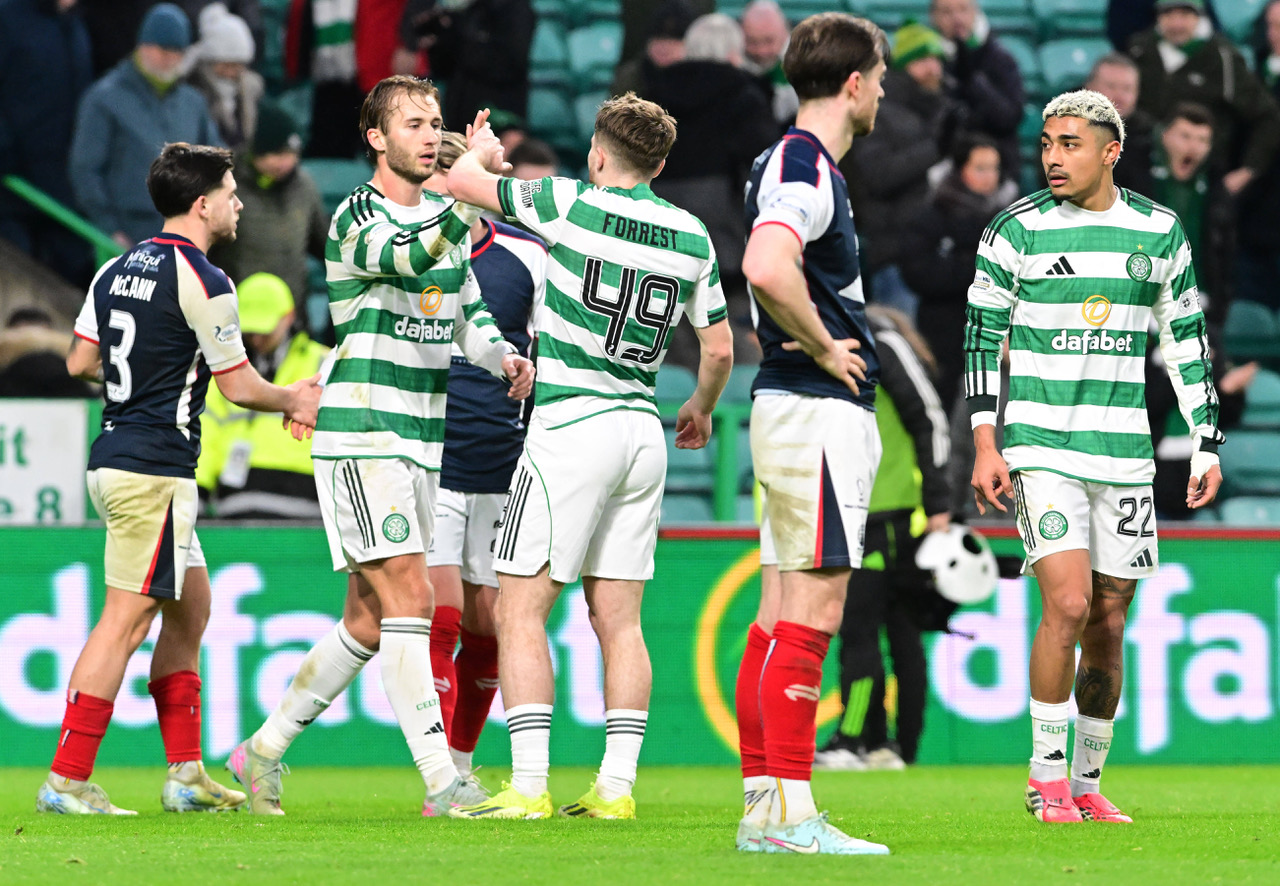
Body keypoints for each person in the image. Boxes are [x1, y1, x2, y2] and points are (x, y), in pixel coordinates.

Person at [226, 75, 534, 817]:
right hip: (366, 430)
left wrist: (505, 361)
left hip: (420, 439)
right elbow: (413, 258)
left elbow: (466, 312)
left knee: (368, 619)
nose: (430, 135)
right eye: (414, 124)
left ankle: (259, 752)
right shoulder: (354, 217)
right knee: (413, 596)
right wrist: (473, 190)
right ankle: (444, 780)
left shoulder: (439, 214)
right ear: (376, 138)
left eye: (436, 122)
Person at [443, 91, 734, 820]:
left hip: (572, 426)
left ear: (599, 153)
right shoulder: (692, 233)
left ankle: (531, 786)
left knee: (519, 607)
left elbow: (460, 186)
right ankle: (616, 789)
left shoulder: (568, 202)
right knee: (621, 619)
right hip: (642, 430)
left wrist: (480, 157)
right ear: (661, 163)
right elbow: (722, 347)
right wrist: (698, 406)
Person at [37, 142, 321, 815]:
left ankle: (185, 775)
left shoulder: (113, 268)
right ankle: (67, 780)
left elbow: (79, 362)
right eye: (229, 193)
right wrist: (296, 398)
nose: (238, 203)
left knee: (191, 609)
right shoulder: (205, 278)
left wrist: (140, 388)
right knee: (124, 621)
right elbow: (243, 386)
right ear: (202, 204)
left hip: (115, 457)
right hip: (154, 470)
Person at [964, 89, 1224, 825]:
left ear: (1112, 150)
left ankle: (1086, 781)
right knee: (1069, 604)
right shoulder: (1014, 231)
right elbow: (982, 339)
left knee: (1110, 620)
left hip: (1126, 457)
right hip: (1042, 448)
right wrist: (986, 438)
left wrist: (1205, 442)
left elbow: (1185, 344)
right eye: (1047, 143)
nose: (1053, 157)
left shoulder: (1160, 231)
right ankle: (1044, 777)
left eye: (1070, 143)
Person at [732, 13, 891, 856]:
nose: (884, 93)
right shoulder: (804, 161)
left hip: (786, 406)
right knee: (814, 610)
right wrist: (827, 344)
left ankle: (765, 806)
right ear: (858, 81)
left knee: (775, 612)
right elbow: (765, 263)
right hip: (815, 409)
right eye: (882, 78)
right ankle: (792, 814)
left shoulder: (779, 159)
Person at [420, 131, 547, 778]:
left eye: (451, 184)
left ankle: (460, 765)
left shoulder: (526, 257)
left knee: (489, 627)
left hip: (502, 462)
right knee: (438, 618)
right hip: (432, 459)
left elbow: (553, 348)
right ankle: (437, 777)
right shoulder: (410, 261)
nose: (440, 199)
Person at [814, 305, 951, 772]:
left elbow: (928, 420)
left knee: (860, 630)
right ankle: (893, 747)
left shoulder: (876, 343)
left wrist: (938, 502)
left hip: (882, 514)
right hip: (877, 512)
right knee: (900, 632)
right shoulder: (878, 342)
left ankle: (855, 739)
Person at [69, 3, 224, 249]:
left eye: (178, 51)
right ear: (143, 46)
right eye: (163, 49)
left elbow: (216, 161)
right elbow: (85, 169)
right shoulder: (105, 98)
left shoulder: (193, 103)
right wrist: (110, 228)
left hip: (186, 234)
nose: (170, 58)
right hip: (129, 232)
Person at [847, 20, 960, 321]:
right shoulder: (877, 112)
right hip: (896, 252)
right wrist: (935, 150)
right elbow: (878, 176)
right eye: (921, 60)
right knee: (902, 343)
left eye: (935, 58)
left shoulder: (946, 106)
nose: (932, 68)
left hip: (944, 254)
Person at [196, 272, 330, 519]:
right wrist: (198, 497)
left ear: (289, 316)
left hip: (307, 510)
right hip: (234, 509)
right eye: (250, 330)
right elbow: (206, 434)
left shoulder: (325, 365)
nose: (256, 339)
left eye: (264, 330)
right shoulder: (225, 375)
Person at [1128, 0, 1280, 198]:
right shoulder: (1138, 51)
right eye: (1169, 15)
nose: (1176, 24)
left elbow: (1267, 116)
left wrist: (1247, 171)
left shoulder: (1222, 57)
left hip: (1206, 183)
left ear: (1199, 16)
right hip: (1142, 176)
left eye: (1185, 15)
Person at [900, 133, 1005, 409]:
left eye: (994, 168)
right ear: (960, 170)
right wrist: (976, 268)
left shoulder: (1007, 218)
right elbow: (918, 272)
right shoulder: (932, 216)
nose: (989, 177)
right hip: (943, 329)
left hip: (988, 332)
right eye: (980, 168)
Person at [207, 98, 329, 333]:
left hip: (290, 319)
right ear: (257, 153)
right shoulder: (228, 187)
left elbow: (324, 245)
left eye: (291, 153)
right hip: (238, 320)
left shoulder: (304, 187)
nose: (285, 162)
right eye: (276, 154)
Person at [0, 0, 94, 287]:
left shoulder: (76, 27)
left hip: (61, 186)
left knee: (75, 271)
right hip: (12, 183)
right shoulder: (8, 17)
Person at [1148, 102, 1234, 323]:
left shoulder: (1216, 193)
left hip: (1198, 305)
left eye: (1203, 140)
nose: (1194, 147)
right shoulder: (1134, 182)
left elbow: (1225, 260)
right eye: (1185, 136)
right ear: (1165, 135)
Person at [930, 0, 1024, 188]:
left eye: (963, 10)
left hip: (998, 167)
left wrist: (972, 81)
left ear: (975, 12)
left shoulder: (1000, 59)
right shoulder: (928, 61)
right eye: (947, 12)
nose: (957, 19)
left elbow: (1009, 116)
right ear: (934, 18)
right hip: (941, 167)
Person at [401, 0, 535, 126]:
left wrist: (458, 33)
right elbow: (442, 68)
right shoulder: (463, 10)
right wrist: (438, 34)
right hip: (460, 117)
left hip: (500, 120)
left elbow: (508, 64)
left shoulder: (512, 7)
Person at [185, 4, 263, 152]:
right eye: (225, 64)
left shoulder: (251, 90)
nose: (231, 72)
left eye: (237, 65)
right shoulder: (193, 91)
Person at [1084, 53, 1156, 197]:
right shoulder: (1064, 127)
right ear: (1090, 88)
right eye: (1111, 86)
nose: (1119, 96)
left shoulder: (1149, 135)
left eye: (1127, 89)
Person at [612, 0, 697, 98]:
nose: (665, 47)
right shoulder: (630, 77)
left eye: (674, 39)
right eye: (659, 37)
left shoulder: (702, 80)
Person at [740, 0, 798, 129]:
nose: (761, 51)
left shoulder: (801, 67)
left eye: (769, 41)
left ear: (785, 35)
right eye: (752, 42)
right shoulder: (735, 67)